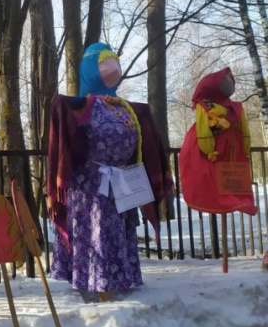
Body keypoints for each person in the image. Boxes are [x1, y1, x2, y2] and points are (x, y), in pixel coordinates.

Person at [46, 43, 172, 302]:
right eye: (104, 62)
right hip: (90, 188)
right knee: (97, 230)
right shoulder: (79, 107)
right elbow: (66, 144)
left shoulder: (125, 107)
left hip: (122, 183)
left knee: (119, 229)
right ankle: (98, 282)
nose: (112, 66)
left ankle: (121, 277)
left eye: (114, 60)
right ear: (90, 69)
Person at [179, 68, 257, 216]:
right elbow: (245, 133)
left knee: (211, 178)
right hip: (234, 149)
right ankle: (232, 201)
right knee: (230, 179)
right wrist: (244, 150)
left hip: (215, 149)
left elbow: (204, 133)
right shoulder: (236, 108)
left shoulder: (205, 105)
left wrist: (209, 150)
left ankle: (221, 201)